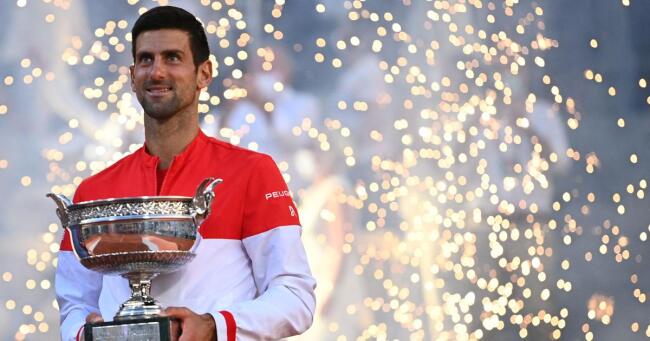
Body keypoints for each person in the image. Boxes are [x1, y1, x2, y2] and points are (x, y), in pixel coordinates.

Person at [55, 6, 316, 341]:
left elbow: (295, 295)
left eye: (173, 57)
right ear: (132, 76)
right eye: (146, 60)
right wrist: (82, 332)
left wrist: (214, 326)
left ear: (204, 74)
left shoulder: (252, 172)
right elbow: (73, 301)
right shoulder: (93, 190)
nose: (157, 72)